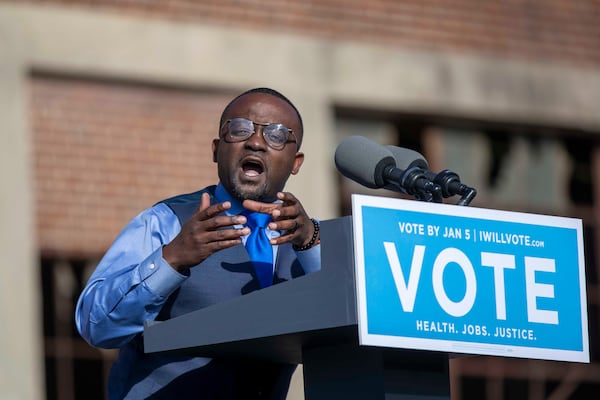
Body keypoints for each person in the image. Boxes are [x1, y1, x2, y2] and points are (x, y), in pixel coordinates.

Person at [75, 87, 321, 399]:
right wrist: (172, 259)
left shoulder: (308, 240)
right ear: (217, 150)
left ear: (296, 162)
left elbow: (355, 319)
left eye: (276, 135)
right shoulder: (166, 221)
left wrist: (311, 242)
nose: (256, 142)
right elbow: (95, 326)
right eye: (239, 129)